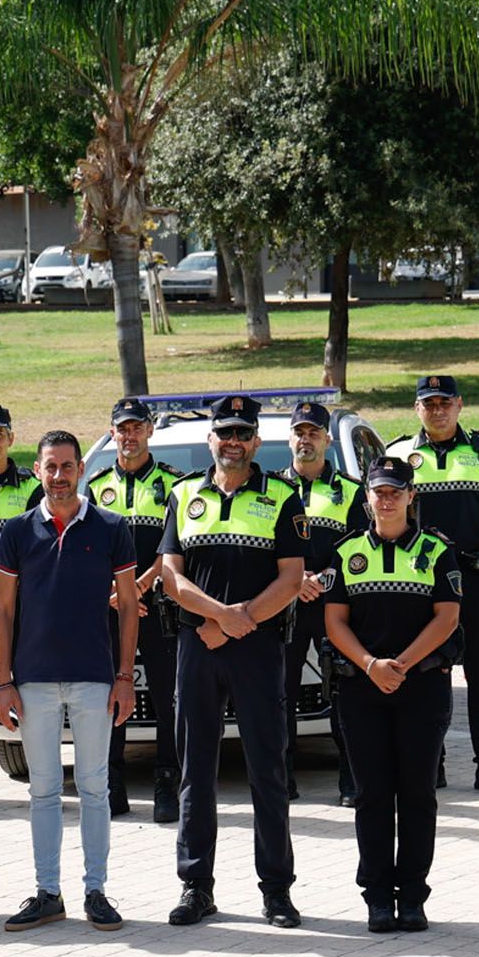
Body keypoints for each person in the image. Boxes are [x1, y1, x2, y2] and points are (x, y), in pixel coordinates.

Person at [159, 395, 307, 928]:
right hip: (199, 644)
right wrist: (221, 617)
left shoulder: (283, 497)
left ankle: (276, 891)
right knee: (196, 770)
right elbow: (170, 576)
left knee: (267, 770)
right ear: (211, 440)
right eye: (225, 433)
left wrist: (235, 623)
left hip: (258, 647)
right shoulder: (183, 495)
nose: (234, 442)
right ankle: (196, 887)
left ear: (257, 442)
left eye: (243, 433)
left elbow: (291, 579)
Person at [0, 431, 137, 935]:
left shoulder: (112, 527)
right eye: (50, 467)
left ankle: (96, 891)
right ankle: (47, 893)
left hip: (95, 678)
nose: (58, 476)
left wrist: (125, 676)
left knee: (95, 788)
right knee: (44, 791)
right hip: (32, 681)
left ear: (81, 470)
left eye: (67, 466)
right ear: (37, 470)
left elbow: (128, 608)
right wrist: (4, 682)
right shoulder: (15, 531)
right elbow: (3, 610)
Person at [324, 460, 463, 933]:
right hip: (361, 690)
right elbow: (334, 621)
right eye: (379, 492)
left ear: (410, 497)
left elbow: (447, 617)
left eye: (395, 492)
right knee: (373, 795)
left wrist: (399, 665)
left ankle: (413, 896)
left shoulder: (436, 551)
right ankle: (378, 897)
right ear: (367, 497)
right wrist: (371, 666)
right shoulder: (346, 552)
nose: (386, 500)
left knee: (418, 795)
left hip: (420, 688)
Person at [384, 375, 479, 793]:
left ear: (459, 405)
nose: (437, 411)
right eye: (429, 404)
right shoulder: (398, 453)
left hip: (475, 579)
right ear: (417, 408)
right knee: (425, 675)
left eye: (444, 403)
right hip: (419, 584)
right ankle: (431, 764)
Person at [87, 397, 180, 820]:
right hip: (110, 609)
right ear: (112, 433)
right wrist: (115, 592)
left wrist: (138, 589)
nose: (129, 435)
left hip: (158, 607)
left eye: (136, 427)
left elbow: (172, 545)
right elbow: (89, 549)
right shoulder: (96, 485)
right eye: (122, 428)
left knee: (166, 698)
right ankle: (112, 781)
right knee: (109, 695)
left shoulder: (174, 483)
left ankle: (167, 781)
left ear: (150, 430)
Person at [283, 400, 361, 806]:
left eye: (313, 433)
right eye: (299, 432)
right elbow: (267, 548)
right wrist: (296, 582)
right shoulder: (272, 489)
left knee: (343, 693)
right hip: (284, 606)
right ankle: (282, 778)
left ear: (327, 440)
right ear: (290, 439)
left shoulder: (350, 490)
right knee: (280, 694)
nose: (306, 440)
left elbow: (359, 549)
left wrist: (321, 580)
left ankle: (350, 781)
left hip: (334, 606)